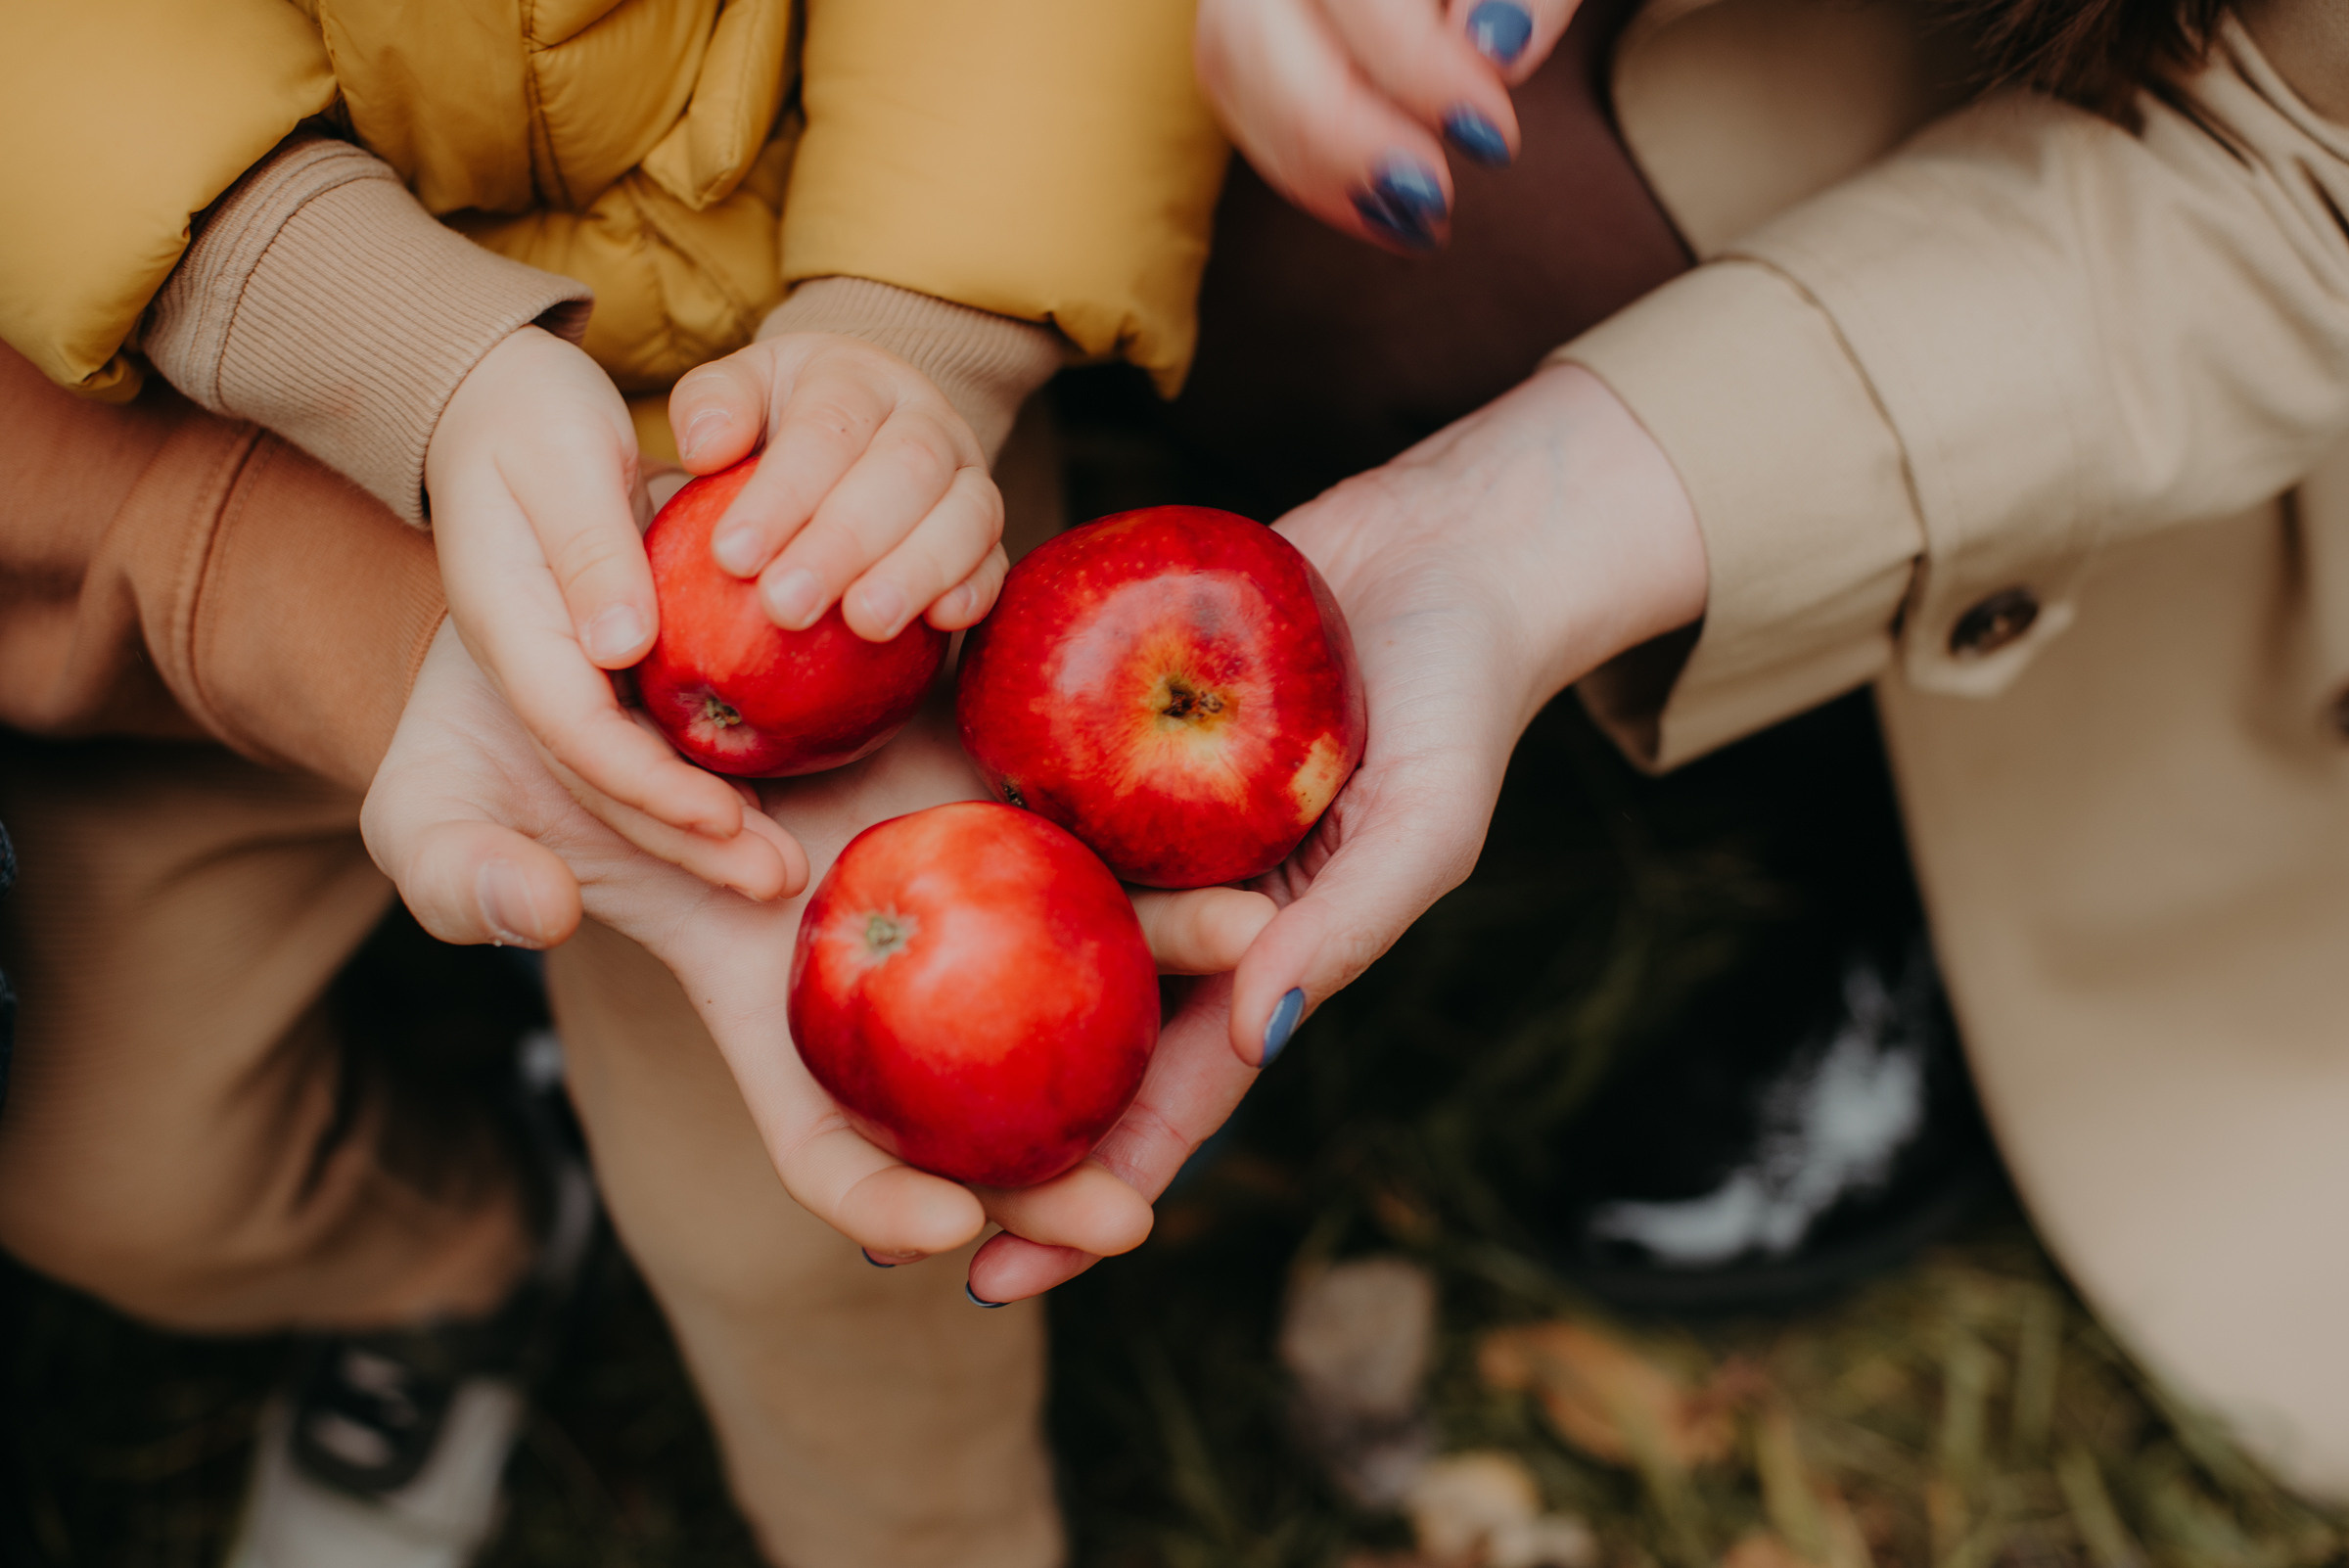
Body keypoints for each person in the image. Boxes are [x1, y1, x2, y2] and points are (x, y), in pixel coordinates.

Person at [980, 0, 2349, 1504]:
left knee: (1422, 265)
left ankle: (1921, 815)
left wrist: (1530, 512)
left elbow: (2295, 172)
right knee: (1235, 148)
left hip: (2131, 118)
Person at [0, 0, 1239, 1562]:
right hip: (199, 472)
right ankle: (462, 1256)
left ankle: (925, 1534)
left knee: (820, 1237)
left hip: (831, 482)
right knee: (108, 1171)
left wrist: (926, 321)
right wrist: (318, 297)